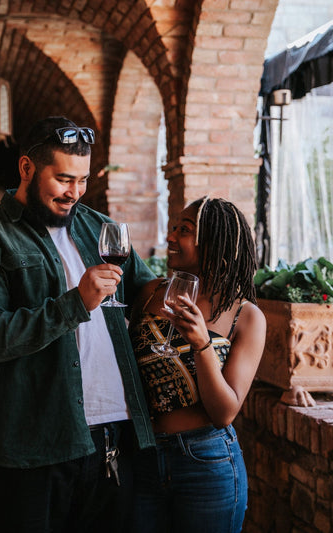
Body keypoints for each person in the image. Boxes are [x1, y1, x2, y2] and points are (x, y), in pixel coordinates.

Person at [0, 116, 157, 533]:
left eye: (82, 181)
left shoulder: (100, 227)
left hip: (113, 435)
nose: (75, 193)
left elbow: (147, 292)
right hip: (30, 447)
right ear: (27, 169)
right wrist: (75, 304)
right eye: (64, 179)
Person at [128, 196, 267, 533]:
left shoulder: (244, 316)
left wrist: (202, 343)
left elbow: (224, 413)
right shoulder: (148, 293)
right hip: (143, 457)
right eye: (173, 227)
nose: (171, 236)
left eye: (184, 230)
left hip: (207, 461)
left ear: (213, 243)